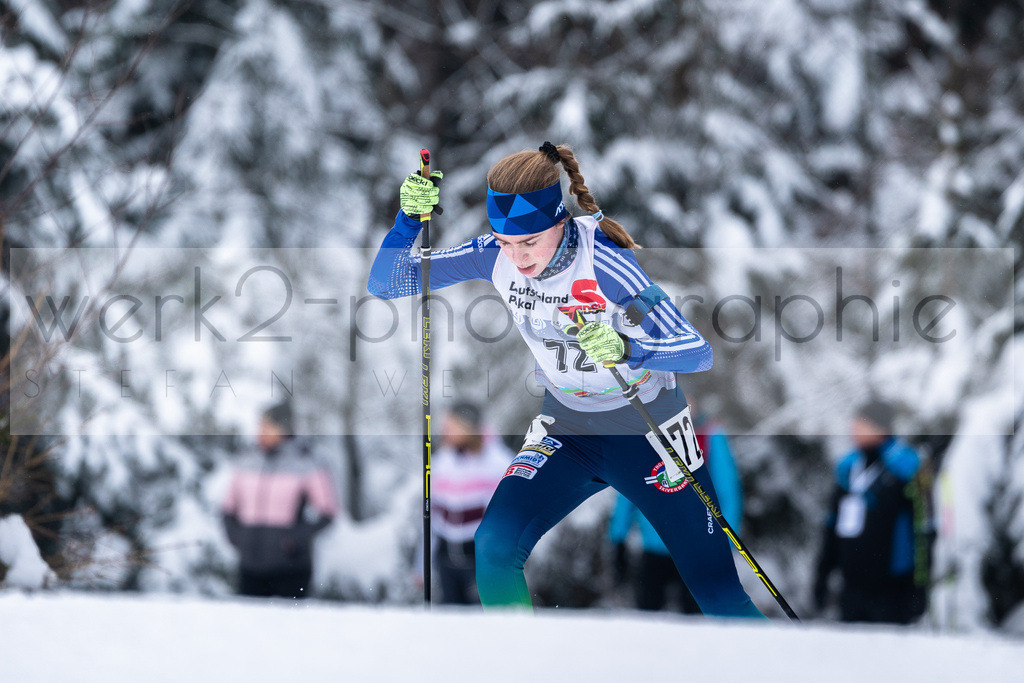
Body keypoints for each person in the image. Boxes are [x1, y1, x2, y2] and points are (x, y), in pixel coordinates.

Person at [368, 142, 762, 617]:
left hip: (647, 435)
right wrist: (409, 221)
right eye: (506, 241)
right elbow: (388, 283)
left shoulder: (605, 264)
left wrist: (629, 349)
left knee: (716, 591)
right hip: (567, 430)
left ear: (559, 222)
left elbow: (695, 351)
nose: (516, 258)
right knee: (493, 544)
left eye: (529, 242)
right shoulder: (494, 253)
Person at [608, 403, 743, 613]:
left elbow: (727, 491)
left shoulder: (710, 435)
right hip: (655, 545)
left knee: (696, 621)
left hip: (697, 547)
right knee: (648, 619)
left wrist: (727, 541)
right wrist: (618, 539)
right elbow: (629, 490)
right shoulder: (646, 436)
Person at [813, 399, 924, 624]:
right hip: (852, 585)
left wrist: (918, 586)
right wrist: (823, 574)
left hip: (892, 587)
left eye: (861, 424)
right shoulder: (848, 467)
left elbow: (921, 529)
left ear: (880, 428)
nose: (853, 430)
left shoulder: (905, 466)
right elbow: (833, 524)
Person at [222, 401, 338, 599]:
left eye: (267, 426)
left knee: (288, 629)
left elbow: (328, 512)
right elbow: (228, 508)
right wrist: (236, 537)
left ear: (284, 428)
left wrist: (294, 540)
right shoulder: (246, 460)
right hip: (250, 566)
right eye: (260, 426)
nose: (261, 431)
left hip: (291, 569)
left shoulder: (306, 462)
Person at [426, 401, 513, 604]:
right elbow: (431, 517)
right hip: (445, 559)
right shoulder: (442, 461)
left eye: (451, 425)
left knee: (481, 623)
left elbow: (506, 518)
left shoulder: (497, 462)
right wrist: (421, 565)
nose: (445, 431)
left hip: (479, 560)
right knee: (451, 623)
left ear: (468, 426)